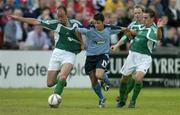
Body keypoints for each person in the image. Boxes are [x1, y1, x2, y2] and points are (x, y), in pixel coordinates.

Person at [11, 5, 84, 107]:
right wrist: (20, 18)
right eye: (58, 16)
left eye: (62, 16)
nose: (60, 18)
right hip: (57, 53)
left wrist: (82, 43)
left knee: (63, 77)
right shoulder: (54, 24)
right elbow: (35, 21)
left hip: (70, 54)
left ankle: (55, 99)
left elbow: (83, 32)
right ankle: (60, 81)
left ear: (66, 15)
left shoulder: (76, 24)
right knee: (49, 83)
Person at [111, 8, 166, 108]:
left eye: (145, 17)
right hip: (132, 55)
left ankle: (132, 101)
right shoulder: (138, 26)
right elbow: (132, 35)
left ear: (151, 19)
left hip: (144, 57)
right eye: (136, 14)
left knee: (138, 78)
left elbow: (158, 37)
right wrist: (125, 36)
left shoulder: (153, 29)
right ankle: (122, 99)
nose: (142, 18)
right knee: (124, 79)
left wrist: (159, 28)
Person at [76, 13, 128, 108]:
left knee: (99, 75)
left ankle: (106, 81)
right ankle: (101, 98)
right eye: (95, 23)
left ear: (103, 22)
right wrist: (81, 43)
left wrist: (130, 31)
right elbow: (77, 29)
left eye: (98, 23)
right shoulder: (89, 29)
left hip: (103, 56)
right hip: (90, 57)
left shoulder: (109, 28)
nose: (96, 25)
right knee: (93, 80)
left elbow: (123, 29)